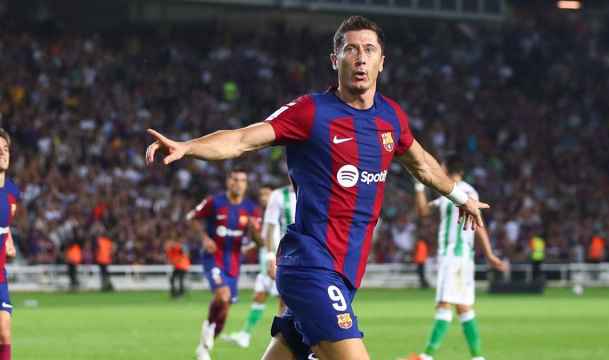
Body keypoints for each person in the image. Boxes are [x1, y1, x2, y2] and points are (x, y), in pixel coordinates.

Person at [145, 16, 488, 360]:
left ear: (382, 62)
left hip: (345, 272)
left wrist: (461, 196)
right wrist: (188, 146)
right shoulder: (311, 112)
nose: (360, 58)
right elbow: (242, 140)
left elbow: (424, 165)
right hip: (310, 266)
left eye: (369, 50)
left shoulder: (391, 117)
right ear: (334, 59)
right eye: (350, 49)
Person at [406, 154, 508, 360]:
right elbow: (425, 211)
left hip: (452, 255)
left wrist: (489, 254)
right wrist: (419, 188)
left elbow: (477, 224)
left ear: (446, 168)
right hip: (464, 258)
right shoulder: (456, 192)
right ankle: (478, 357)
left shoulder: (461, 193)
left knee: (444, 303)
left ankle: (426, 356)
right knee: (463, 307)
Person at [186, 168, 262, 360]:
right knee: (222, 295)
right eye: (235, 179)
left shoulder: (251, 209)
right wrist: (204, 239)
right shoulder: (214, 202)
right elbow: (192, 218)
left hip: (234, 263)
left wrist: (254, 232)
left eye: (242, 180)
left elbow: (261, 242)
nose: (238, 183)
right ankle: (208, 332)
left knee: (225, 311)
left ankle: (205, 344)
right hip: (213, 257)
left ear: (246, 184)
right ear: (228, 182)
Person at [224, 182, 296, 348]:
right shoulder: (262, 215)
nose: (264, 198)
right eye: (261, 195)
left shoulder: (282, 207)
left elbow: (270, 237)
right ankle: (246, 335)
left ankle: (284, 341)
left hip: (280, 259)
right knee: (259, 296)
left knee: (283, 301)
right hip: (268, 260)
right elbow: (262, 241)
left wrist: (273, 258)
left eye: (267, 194)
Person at [0, 129, 20, 360]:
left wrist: (9, 242)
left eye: (5, 150)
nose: (2, 154)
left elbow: (5, 225)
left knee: (5, 333)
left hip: (0, 277)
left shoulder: (12, 191)